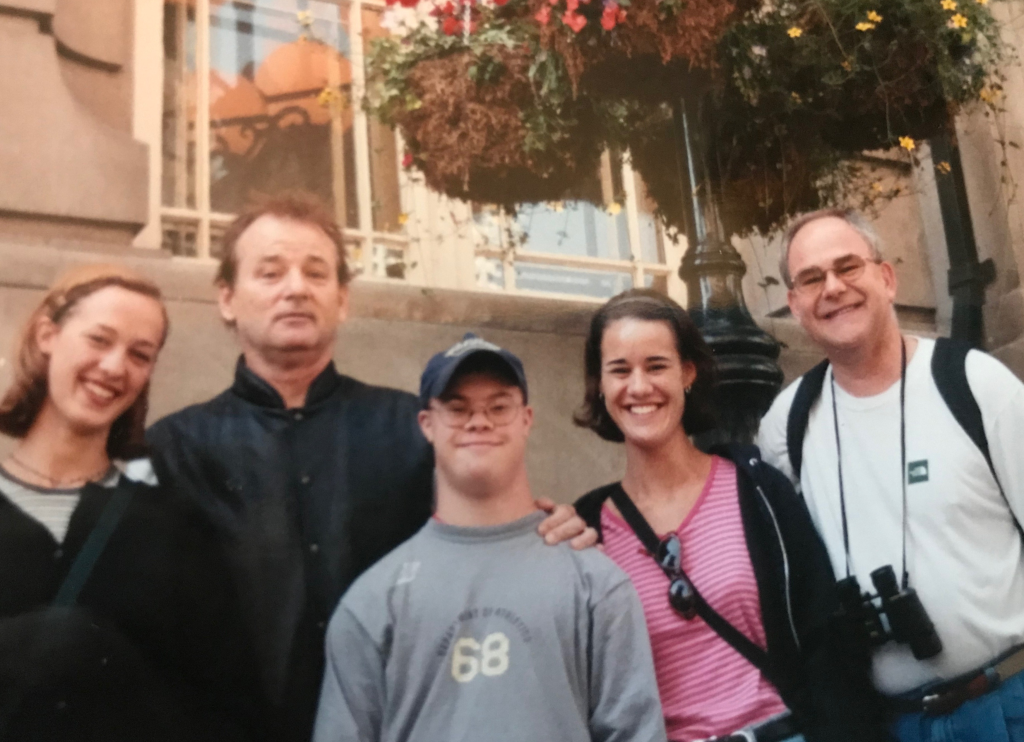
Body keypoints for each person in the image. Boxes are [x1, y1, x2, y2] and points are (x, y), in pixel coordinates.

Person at [146, 191, 597, 742]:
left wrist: (549, 532)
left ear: (342, 299)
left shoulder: (414, 428)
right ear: (227, 297)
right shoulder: (172, 450)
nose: (295, 288)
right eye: (270, 272)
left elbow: (491, 537)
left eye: (316, 273)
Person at [312, 333, 667, 742]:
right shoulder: (372, 603)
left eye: (498, 407)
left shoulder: (596, 584)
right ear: (426, 424)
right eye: (458, 408)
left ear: (526, 419)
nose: (479, 421)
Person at [573, 289, 889, 742]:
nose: (639, 386)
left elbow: (828, 643)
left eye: (656, 365)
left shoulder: (758, 490)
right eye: (620, 370)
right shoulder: (585, 531)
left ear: (687, 373)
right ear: (600, 385)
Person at [757, 207, 1024, 742]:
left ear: (886, 277)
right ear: (795, 304)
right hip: (889, 723)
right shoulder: (785, 425)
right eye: (811, 278)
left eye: (848, 267)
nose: (833, 288)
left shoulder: (973, 385)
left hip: (1006, 703)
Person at [0, 265, 260, 742]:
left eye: (140, 355)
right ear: (47, 335)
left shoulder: (173, 526)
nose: (115, 367)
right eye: (99, 340)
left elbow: (228, 708)